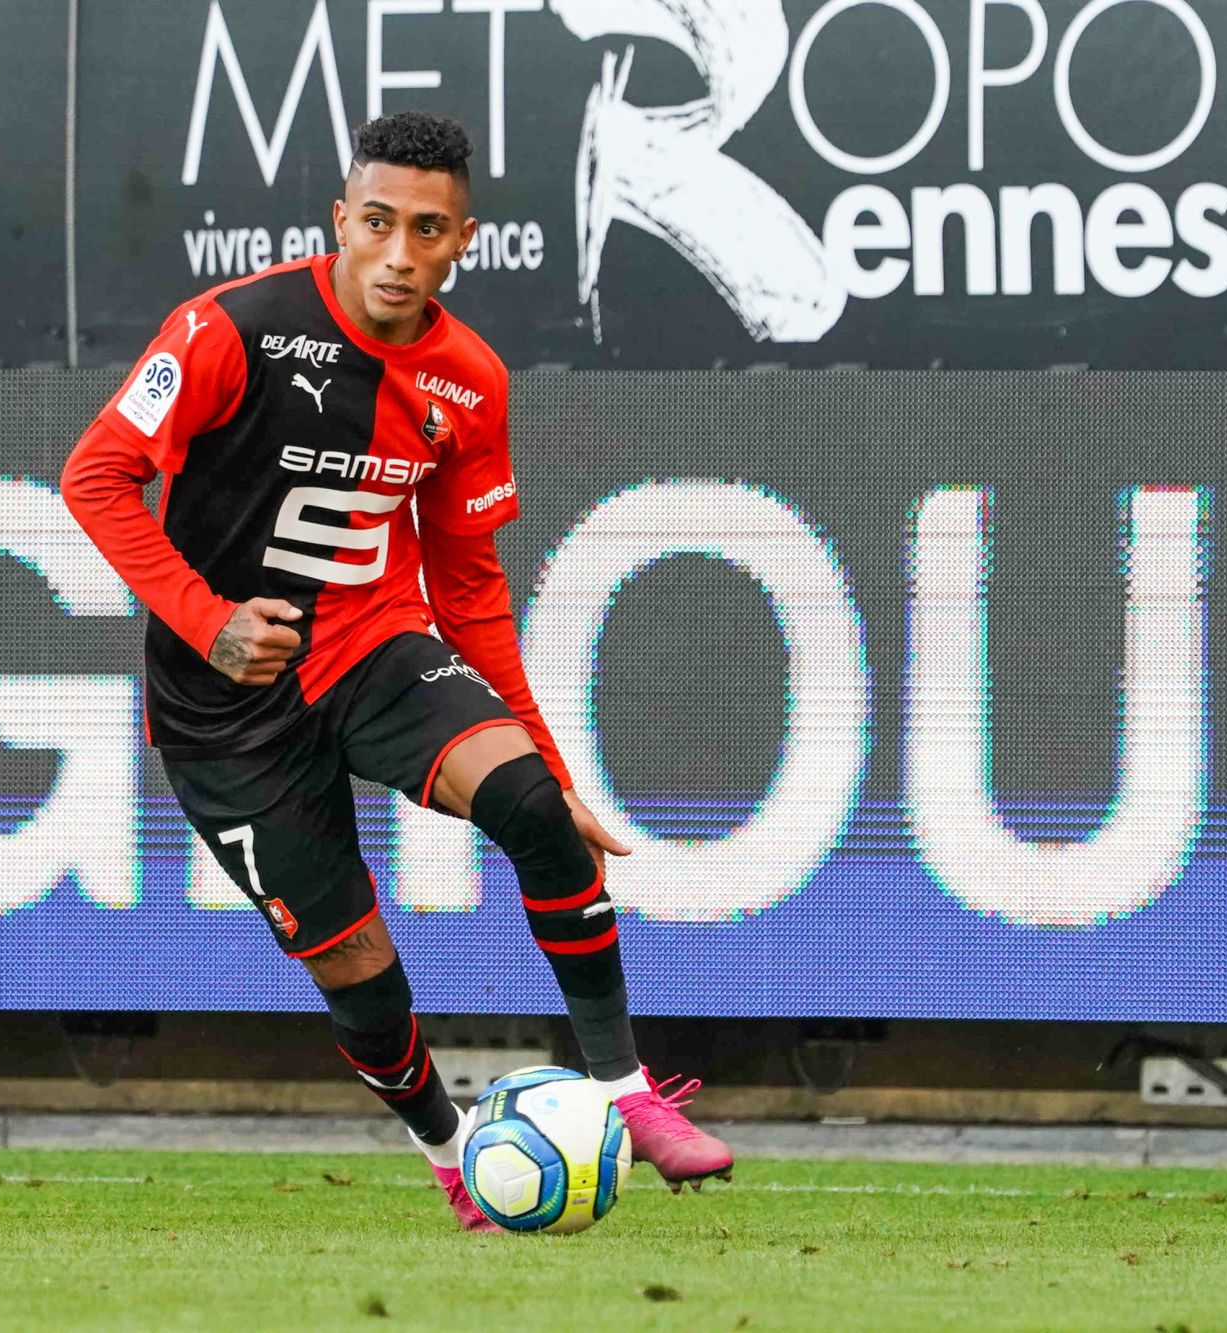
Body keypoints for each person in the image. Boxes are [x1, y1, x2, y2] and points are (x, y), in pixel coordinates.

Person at [61, 111, 731, 1231]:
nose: (397, 252)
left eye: (426, 230)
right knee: (357, 969)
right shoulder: (230, 328)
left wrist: (551, 761)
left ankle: (625, 1093)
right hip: (222, 716)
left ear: (460, 239)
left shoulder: (467, 380)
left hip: (368, 647)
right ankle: (450, 1148)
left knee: (530, 806)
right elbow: (95, 476)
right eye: (376, 223)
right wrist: (209, 619)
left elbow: (466, 584)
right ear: (341, 221)